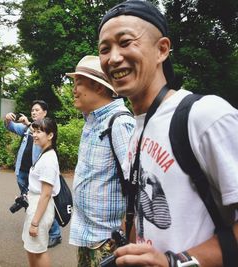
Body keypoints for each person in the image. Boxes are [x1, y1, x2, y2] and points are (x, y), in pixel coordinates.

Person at [98, 1, 238, 266]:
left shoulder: (205, 115)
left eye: (126, 42)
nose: (113, 57)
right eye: (105, 49)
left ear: (162, 49)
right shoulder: (136, 131)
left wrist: (177, 262)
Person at [66, 55, 135, 266]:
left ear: (98, 87)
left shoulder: (120, 123)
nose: (74, 89)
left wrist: (122, 234)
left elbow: (138, 185)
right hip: (88, 235)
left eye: (79, 82)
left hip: (108, 240)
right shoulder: (92, 121)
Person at [5, 100, 62, 248]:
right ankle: (34, 225)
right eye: (32, 110)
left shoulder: (44, 130)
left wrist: (29, 124)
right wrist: (7, 119)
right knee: (28, 202)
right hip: (23, 173)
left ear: (44, 113)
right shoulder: (26, 129)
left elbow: (47, 195)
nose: (33, 112)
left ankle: (54, 234)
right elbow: (10, 126)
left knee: (44, 202)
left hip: (38, 176)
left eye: (37, 110)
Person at [22, 117, 61, 267]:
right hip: (35, 204)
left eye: (39, 132)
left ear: (50, 135)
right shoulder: (44, 154)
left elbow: (45, 194)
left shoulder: (49, 159)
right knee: (31, 248)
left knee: (39, 250)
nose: (35, 135)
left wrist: (35, 223)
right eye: (34, 131)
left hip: (40, 208)